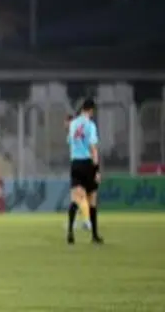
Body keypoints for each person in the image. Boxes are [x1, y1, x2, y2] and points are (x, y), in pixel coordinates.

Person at [67, 99, 104, 245]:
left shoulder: (73, 124)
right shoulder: (91, 125)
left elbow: (70, 142)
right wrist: (97, 170)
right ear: (91, 110)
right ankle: (94, 235)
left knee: (76, 199)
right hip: (87, 163)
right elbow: (93, 148)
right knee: (92, 199)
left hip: (75, 162)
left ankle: (70, 232)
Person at [65, 114, 91, 231]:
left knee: (78, 195)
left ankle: (86, 221)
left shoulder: (73, 132)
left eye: (66, 122)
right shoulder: (83, 131)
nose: (65, 125)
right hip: (85, 164)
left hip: (77, 164)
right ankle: (78, 221)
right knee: (78, 195)